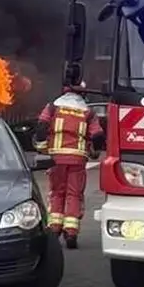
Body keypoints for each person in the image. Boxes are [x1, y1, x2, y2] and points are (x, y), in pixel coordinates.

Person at [33, 88, 104, 249]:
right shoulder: (88, 112)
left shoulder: (53, 107)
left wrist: (43, 148)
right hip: (78, 159)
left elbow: (41, 126)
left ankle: (54, 228)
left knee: (57, 192)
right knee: (74, 194)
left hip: (56, 158)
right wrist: (95, 151)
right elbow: (98, 135)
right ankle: (71, 232)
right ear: (82, 95)